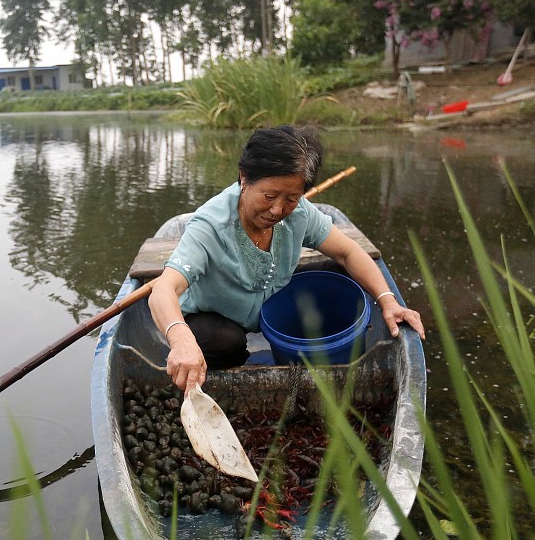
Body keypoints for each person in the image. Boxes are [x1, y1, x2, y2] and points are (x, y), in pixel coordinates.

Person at [149, 125, 426, 392]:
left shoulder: (300, 213)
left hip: (271, 305)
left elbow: (348, 251)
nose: (278, 209)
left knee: (340, 275)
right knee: (224, 342)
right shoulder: (209, 226)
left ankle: (316, 359)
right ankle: (217, 377)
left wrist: (388, 301)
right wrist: (181, 339)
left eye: (291, 198)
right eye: (269, 196)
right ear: (244, 178)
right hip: (218, 319)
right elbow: (163, 289)